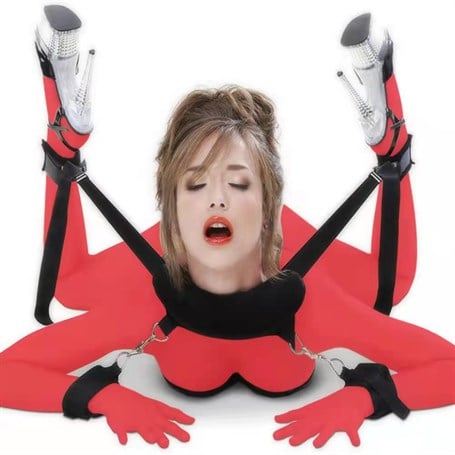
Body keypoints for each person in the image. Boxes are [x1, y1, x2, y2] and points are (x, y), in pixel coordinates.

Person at [0, 6, 454, 450]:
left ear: (270, 205)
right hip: (188, 245)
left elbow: (447, 365)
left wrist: (364, 399)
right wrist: (102, 397)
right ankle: (63, 135)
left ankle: (391, 143)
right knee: (70, 285)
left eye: (238, 184)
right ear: (170, 209)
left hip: (275, 249)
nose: (217, 198)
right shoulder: (143, 302)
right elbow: (7, 372)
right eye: (196, 184)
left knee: (391, 284)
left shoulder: (317, 304)